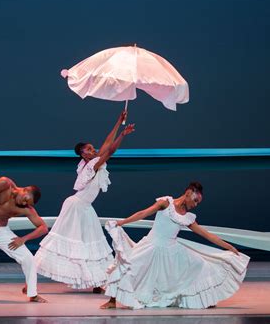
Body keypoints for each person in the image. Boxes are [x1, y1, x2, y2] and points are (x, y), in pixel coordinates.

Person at [100, 182, 250, 309]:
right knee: (128, 266)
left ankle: (203, 299)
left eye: (198, 203)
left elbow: (206, 234)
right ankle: (112, 301)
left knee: (199, 264)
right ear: (189, 192)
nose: (195, 205)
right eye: (195, 200)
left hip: (172, 250)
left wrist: (228, 246)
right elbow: (143, 213)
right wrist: (122, 222)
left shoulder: (187, 217)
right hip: (151, 245)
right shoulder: (166, 203)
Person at [34, 110, 135, 293]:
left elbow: (105, 144)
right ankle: (30, 279)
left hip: (86, 208)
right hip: (75, 207)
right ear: (83, 155)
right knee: (61, 243)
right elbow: (110, 150)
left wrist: (118, 122)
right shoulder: (91, 166)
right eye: (88, 149)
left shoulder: (92, 161)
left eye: (91, 147)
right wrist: (122, 134)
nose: (92, 149)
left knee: (92, 243)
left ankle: (97, 282)